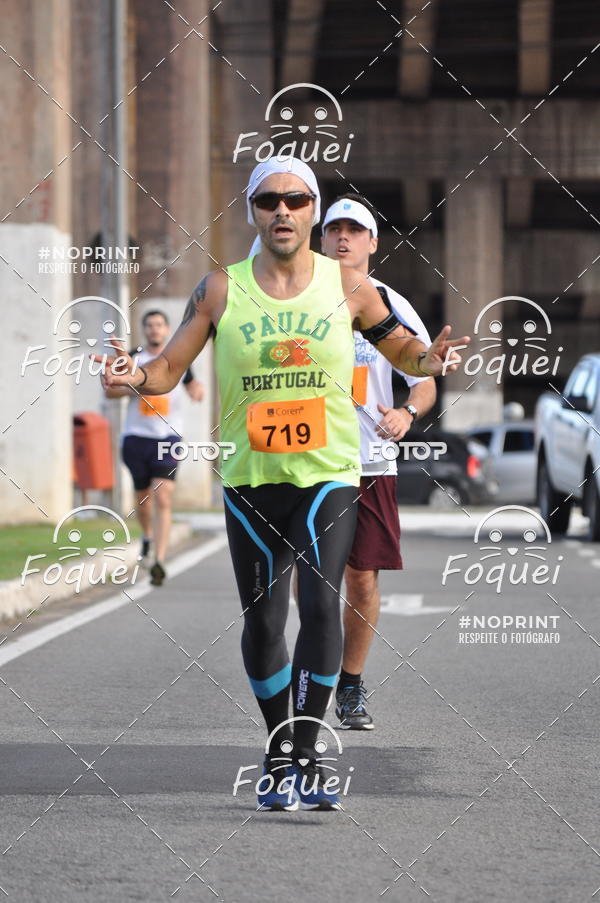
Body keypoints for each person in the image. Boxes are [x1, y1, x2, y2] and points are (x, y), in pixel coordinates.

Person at [96, 157, 468, 811]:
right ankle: (277, 751)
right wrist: (134, 375)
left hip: (329, 473)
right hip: (250, 478)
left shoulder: (349, 287)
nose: (283, 210)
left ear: (313, 210)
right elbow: (168, 369)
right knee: (265, 623)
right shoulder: (220, 289)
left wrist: (428, 360)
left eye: (296, 199)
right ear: (252, 212)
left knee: (323, 607)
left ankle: (305, 751)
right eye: (268, 200)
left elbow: (402, 351)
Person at [321, 194, 436, 730]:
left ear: (373, 243)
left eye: (354, 230)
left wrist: (408, 413)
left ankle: (350, 684)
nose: (342, 238)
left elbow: (424, 379)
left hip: (370, 462)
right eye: (333, 229)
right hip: (311, 460)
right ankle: (310, 679)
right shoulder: (297, 298)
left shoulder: (390, 302)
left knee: (361, 578)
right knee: (312, 578)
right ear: (320, 239)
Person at [104, 309, 204, 586]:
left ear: (167, 328)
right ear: (144, 329)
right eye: (149, 325)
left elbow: (194, 385)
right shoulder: (133, 357)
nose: (154, 330)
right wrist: (136, 386)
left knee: (163, 496)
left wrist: (197, 390)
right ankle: (147, 537)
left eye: (159, 325)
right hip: (137, 438)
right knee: (143, 499)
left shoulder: (176, 358)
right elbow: (109, 390)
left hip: (168, 439)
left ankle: (159, 559)